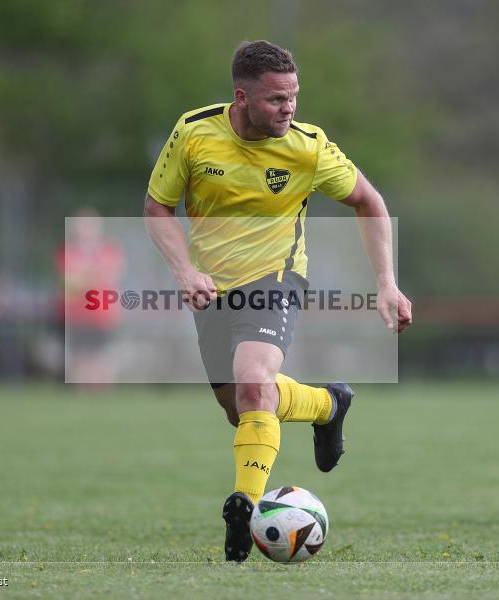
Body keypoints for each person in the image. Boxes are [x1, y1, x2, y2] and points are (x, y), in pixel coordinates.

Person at [144, 40, 413, 562]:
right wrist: (184, 270)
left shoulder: (309, 146)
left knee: (253, 383)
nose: (289, 108)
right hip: (210, 288)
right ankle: (327, 404)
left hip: (276, 278)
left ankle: (245, 508)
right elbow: (157, 207)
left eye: (293, 97)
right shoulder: (195, 132)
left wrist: (387, 283)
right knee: (241, 408)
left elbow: (368, 201)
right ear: (241, 98)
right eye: (275, 100)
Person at [55, 208, 125, 387]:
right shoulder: (67, 252)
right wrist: (92, 275)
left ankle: (103, 401)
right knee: (79, 359)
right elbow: (68, 283)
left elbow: (109, 276)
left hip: (102, 315)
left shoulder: (110, 250)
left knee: (102, 358)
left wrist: (83, 275)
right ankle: (82, 401)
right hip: (77, 315)